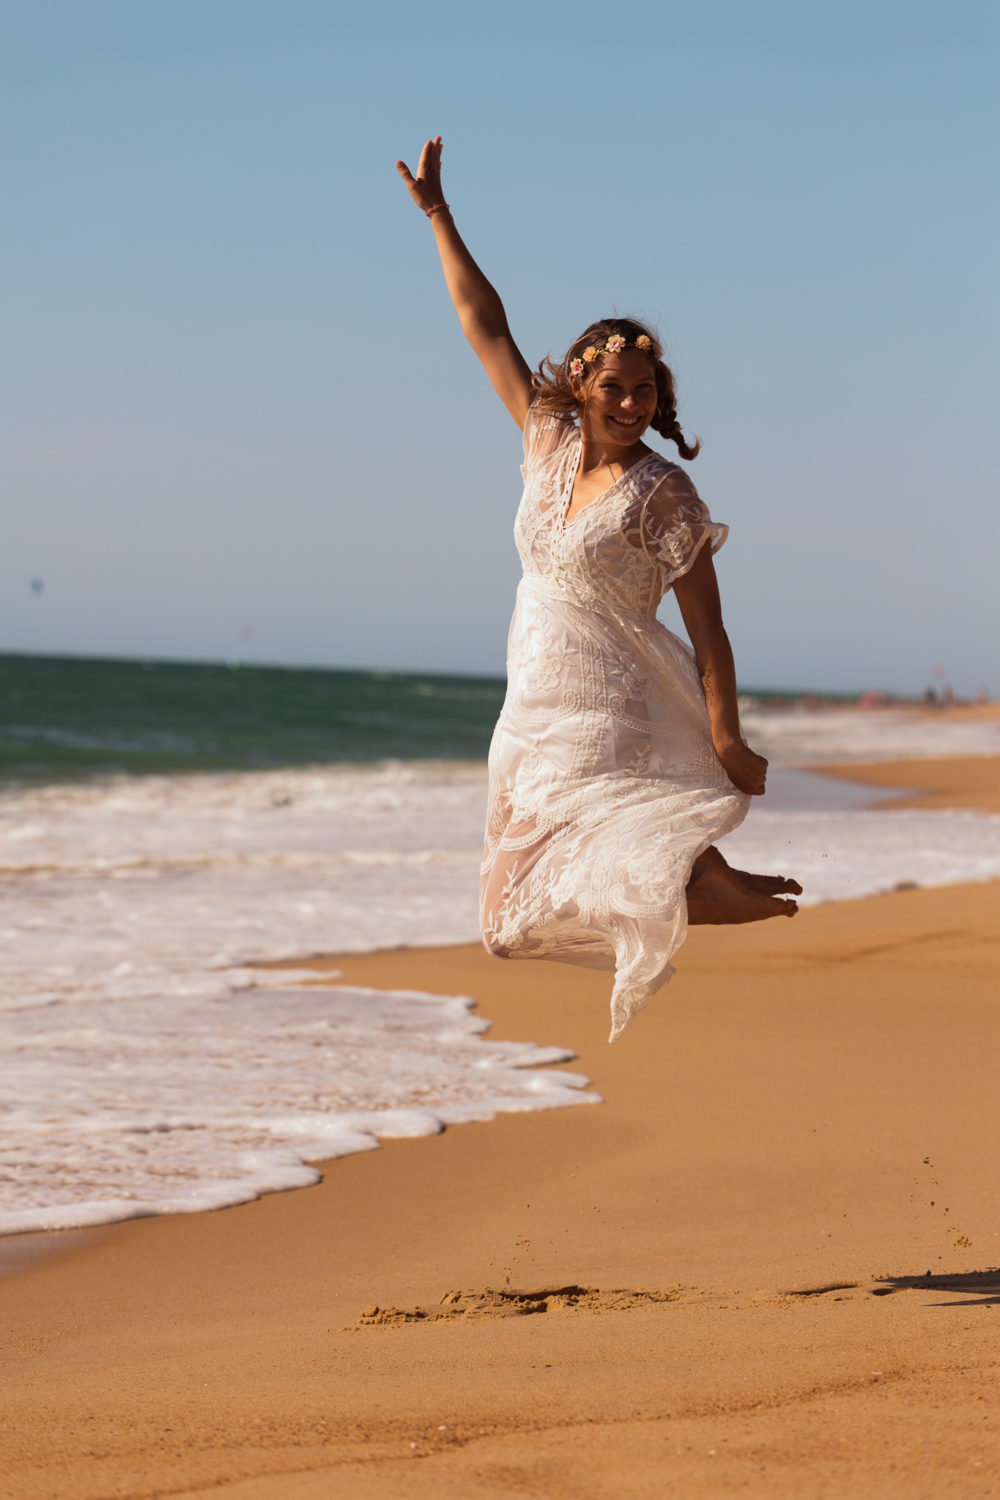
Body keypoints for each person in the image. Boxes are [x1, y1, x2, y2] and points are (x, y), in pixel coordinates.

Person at [397, 137, 801, 1040]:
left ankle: (698, 887)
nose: (630, 405)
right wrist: (438, 216)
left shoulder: (665, 495)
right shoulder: (545, 441)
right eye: (615, 387)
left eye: (646, 393)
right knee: (502, 923)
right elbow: (485, 325)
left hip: (604, 702)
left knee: (595, 850)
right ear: (580, 384)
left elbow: (711, 632)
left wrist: (728, 735)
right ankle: (699, 885)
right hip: (527, 705)